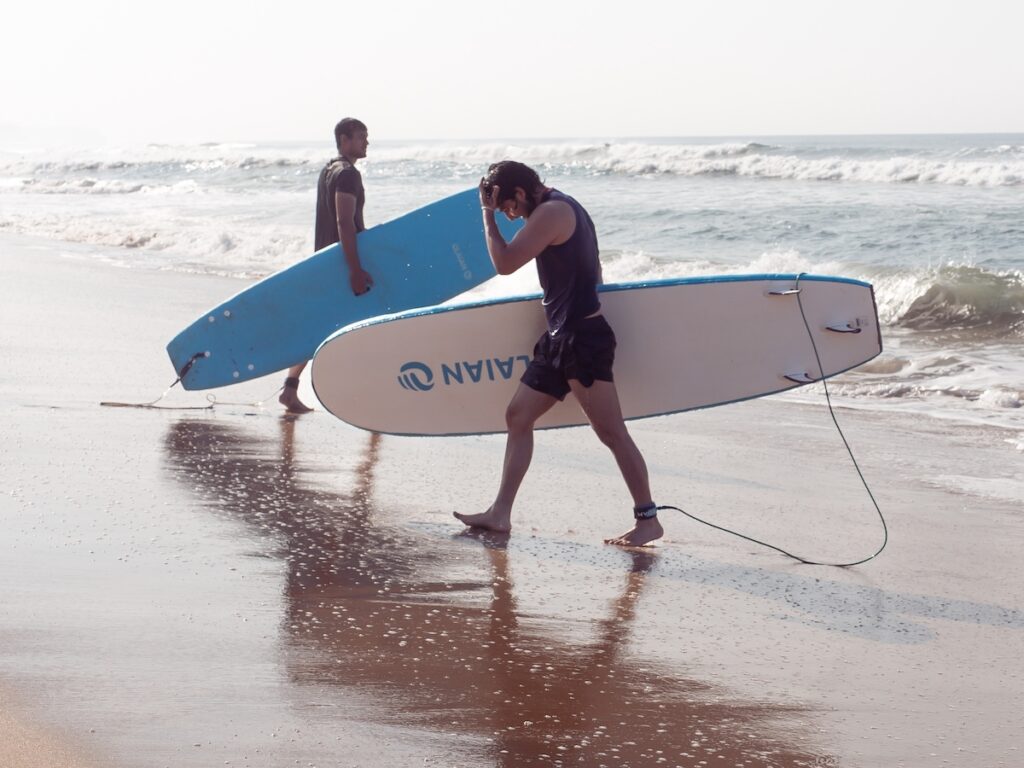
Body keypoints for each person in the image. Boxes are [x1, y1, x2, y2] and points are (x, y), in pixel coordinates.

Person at [453, 161, 663, 547]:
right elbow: (594, 270)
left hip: (582, 339)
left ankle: (648, 519)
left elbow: (504, 263)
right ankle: (500, 513)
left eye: (508, 208)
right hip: (559, 338)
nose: (510, 217)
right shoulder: (566, 207)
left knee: (611, 432)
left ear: (519, 193)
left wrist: (486, 215)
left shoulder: (553, 212)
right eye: (502, 213)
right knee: (518, 416)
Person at [279, 117, 373, 414]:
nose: (366, 142)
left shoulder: (329, 170)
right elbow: (344, 221)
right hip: (342, 264)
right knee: (366, 328)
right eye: (360, 136)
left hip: (327, 261)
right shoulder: (347, 174)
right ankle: (372, 400)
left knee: (318, 328)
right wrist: (355, 269)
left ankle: (289, 389)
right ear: (344, 140)